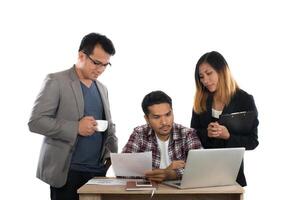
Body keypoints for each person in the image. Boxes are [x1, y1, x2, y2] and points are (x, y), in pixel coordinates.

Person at [28, 33, 118, 200]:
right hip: (67, 172)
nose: (100, 70)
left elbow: (110, 126)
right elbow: (36, 122)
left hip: (98, 171)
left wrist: (114, 156)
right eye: (97, 63)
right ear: (81, 55)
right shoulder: (56, 80)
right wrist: (75, 127)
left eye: (106, 65)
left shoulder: (102, 88)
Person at [190, 51, 259, 187]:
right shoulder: (201, 100)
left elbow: (252, 142)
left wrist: (228, 136)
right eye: (201, 77)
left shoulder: (244, 100)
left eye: (209, 73)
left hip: (232, 176)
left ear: (222, 71)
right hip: (202, 173)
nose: (205, 80)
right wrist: (207, 133)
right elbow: (191, 137)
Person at [123, 90, 202, 182]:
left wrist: (172, 174)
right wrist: (166, 171)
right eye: (157, 117)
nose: (164, 122)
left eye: (168, 115)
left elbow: (200, 168)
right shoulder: (139, 134)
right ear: (147, 119)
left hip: (178, 194)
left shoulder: (187, 134)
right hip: (148, 194)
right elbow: (124, 171)